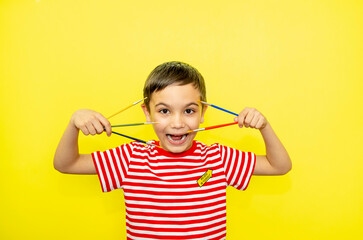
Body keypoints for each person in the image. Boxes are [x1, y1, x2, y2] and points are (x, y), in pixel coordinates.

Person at [54, 61, 291, 240]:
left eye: (189, 111)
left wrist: (264, 126)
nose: (177, 123)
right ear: (147, 113)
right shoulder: (131, 158)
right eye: (164, 111)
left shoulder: (217, 158)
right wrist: (74, 123)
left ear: (202, 113)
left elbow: (279, 166)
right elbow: (66, 164)